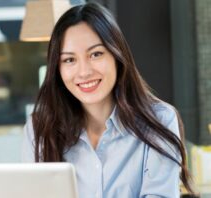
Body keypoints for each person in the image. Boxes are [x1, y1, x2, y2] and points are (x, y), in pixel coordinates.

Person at [22, 2, 194, 197]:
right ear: (57, 68)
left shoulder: (159, 120)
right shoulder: (39, 129)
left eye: (96, 54)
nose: (84, 72)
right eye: (69, 59)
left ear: (117, 56)